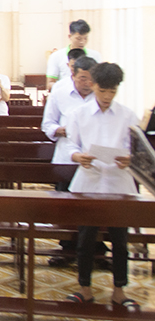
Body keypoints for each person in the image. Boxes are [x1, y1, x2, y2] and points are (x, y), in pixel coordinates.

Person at [63, 62, 140, 309]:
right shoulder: (79, 114)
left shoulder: (127, 115)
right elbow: (70, 146)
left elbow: (137, 151)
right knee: (86, 239)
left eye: (112, 92)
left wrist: (130, 158)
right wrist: (78, 157)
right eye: (102, 91)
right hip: (89, 182)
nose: (107, 97)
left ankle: (119, 290)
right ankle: (84, 288)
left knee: (120, 240)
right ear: (93, 85)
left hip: (119, 184)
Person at [42, 55, 97, 267]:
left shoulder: (99, 93)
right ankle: (67, 249)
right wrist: (61, 130)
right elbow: (48, 124)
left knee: (94, 208)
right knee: (66, 207)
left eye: (91, 79)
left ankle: (96, 249)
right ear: (73, 75)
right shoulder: (60, 91)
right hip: (67, 158)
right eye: (82, 78)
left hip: (94, 162)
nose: (87, 83)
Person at [46, 20, 103, 90]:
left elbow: (99, 81)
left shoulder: (95, 56)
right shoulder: (56, 56)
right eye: (78, 38)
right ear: (70, 36)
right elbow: (50, 84)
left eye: (85, 38)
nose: (82, 42)